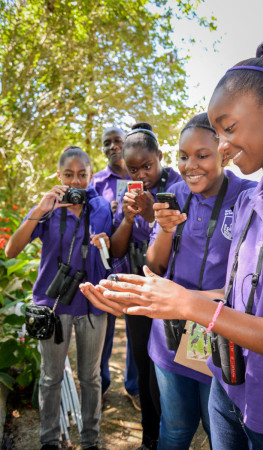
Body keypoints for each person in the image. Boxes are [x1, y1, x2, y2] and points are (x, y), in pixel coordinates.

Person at [80, 32, 263, 450]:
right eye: (217, 134)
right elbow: (236, 297)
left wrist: (190, 305)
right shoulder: (254, 200)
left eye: (228, 130)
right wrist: (146, 297)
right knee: (173, 431)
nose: (223, 146)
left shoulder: (242, 195)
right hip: (228, 388)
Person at [145, 113, 255, 449]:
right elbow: (153, 265)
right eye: (182, 155)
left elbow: (251, 282)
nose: (190, 165)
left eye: (202, 155)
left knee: (219, 432)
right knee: (175, 430)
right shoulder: (173, 194)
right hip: (170, 337)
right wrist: (165, 229)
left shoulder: (248, 198)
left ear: (224, 153)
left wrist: (200, 298)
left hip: (221, 341)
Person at [6, 146, 112, 450]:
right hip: (52, 306)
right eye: (69, 175)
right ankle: (49, 440)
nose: (76, 181)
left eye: (82, 175)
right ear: (58, 175)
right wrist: (39, 209)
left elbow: (111, 256)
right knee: (51, 377)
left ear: (91, 175)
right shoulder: (49, 209)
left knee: (91, 378)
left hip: (92, 303)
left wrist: (104, 243)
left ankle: (90, 440)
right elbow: (11, 251)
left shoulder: (102, 208)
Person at [110, 122, 182, 450]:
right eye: (133, 168)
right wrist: (127, 217)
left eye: (147, 165)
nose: (142, 173)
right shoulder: (128, 194)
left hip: (173, 295)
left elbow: (179, 249)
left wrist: (154, 215)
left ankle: (173, 434)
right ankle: (149, 438)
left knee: (167, 374)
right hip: (138, 293)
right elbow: (117, 250)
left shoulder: (181, 187)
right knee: (143, 364)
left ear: (161, 157)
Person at [89, 126, 139, 409]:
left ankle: (134, 387)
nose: (112, 146)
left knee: (136, 327)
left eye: (117, 141)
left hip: (135, 262)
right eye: (106, 143)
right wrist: (103, 212)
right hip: (105, 264)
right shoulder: (95, 181)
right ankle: (101, 384)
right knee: (104, 329)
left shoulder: (137, 175)